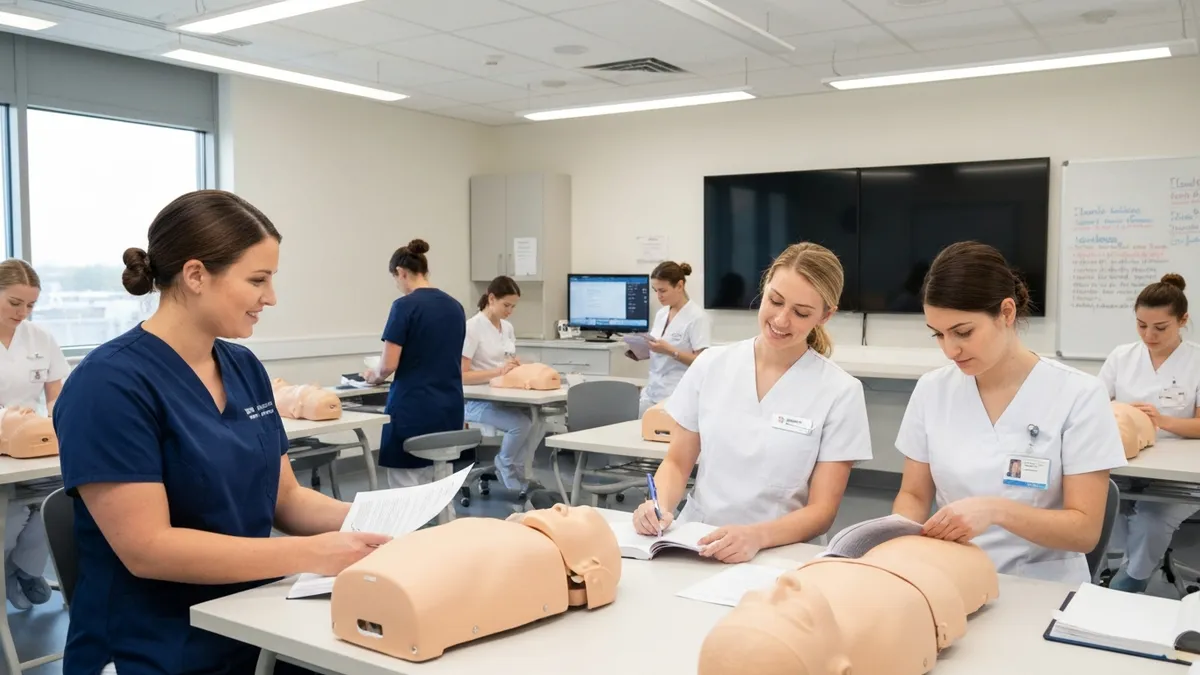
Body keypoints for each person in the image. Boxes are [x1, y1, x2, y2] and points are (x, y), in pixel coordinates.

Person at [53, 190, 389, 674]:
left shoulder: (243, 367)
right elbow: (149, 548)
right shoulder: (108, 383)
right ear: (195, 276)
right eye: (258, 279)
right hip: (152, 644)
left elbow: (286, 500)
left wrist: (379, 523)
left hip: (250, 621)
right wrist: (309, 553)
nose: (270, 297)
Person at [891, 241, 1126, 584]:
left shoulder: (1078, 395)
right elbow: (913, 495)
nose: (950, 349)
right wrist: (898, 547)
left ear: (1006, 312)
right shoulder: (932, 390)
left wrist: (996, 510)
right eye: (938, 335)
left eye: (963, 332)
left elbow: (1085, 530)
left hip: (1042, 587)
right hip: (953, 576)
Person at [632, 243, 872, 563]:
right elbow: (677, 462)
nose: (782, 320)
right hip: (696, 540)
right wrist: (657, 506)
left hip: (778, 552)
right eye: (775, 301)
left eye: (801, 313)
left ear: (826, 315)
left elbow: (822, 511)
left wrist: (757, 536)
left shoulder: (840, 391)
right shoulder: (711, 365)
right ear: (764, 290)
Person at [1099, 273, 1200, 593]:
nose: (1149, 335)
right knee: (1104, 505)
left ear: (1182, 320)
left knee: (1151, 517)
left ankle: (1132, 581)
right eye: (1142, 325)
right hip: (1126, 462)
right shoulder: (1122, 356)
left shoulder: (1196, 360)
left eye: (1160, 327)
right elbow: (1092, 405)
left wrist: (1162, 421)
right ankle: (1114, 566)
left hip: (1178, 473)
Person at [363, 239, 466, 488]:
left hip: (414, 409)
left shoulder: (404, 307)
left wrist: (372, 376)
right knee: (442, 489)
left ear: (401, 272)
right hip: (449, 409)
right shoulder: (455, 307)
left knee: (406, 494)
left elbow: (388, 365)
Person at [0, 259, 68, 610]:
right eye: (15, 303)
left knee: (58, 499)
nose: (23, 312)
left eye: (30, 305)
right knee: (9, 517)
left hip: (35, 445)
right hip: (3, 449)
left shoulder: (39, 337)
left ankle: (25, 572)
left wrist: (58, 421)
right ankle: (8, 574)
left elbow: (56, 394)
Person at [461, 276, 544, 497]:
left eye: (513, 306)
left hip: (503, 395)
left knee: (538, 421)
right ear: (491, 298)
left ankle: (520, 470)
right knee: (521, 424)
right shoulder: (472, 328)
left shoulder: (506, 328)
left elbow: (507, 359)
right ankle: (504, 463)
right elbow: (462, 375)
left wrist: (516, 367)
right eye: (506, 305)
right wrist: (498, 372)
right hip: (476, 401)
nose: (510, 311)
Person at [633, 261, 712, 416]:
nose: (658, 296)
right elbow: (658, 350)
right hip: (652, 392)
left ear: (680, 286)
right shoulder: (661, 314)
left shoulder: (698, 318)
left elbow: (702, 362)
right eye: (655, 290)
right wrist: (640, 351)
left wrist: (671, 351)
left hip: (676, 394)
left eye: (663, 290)